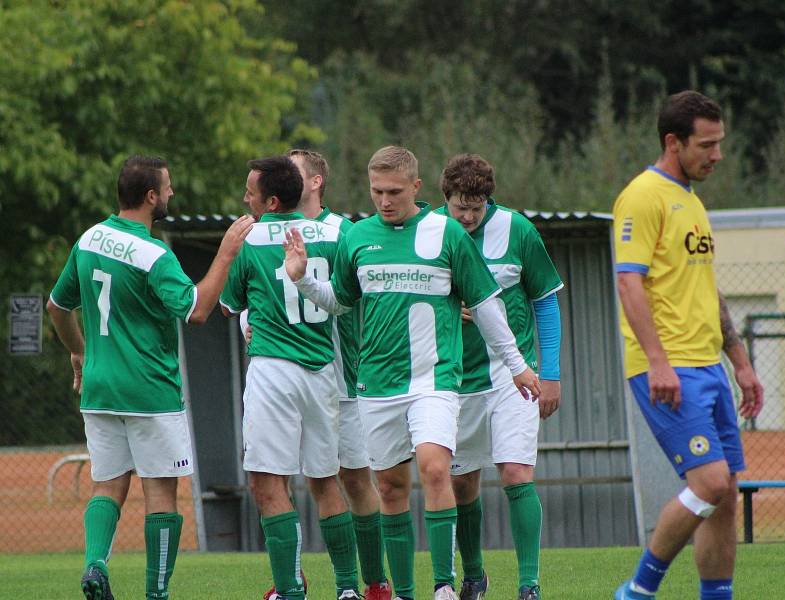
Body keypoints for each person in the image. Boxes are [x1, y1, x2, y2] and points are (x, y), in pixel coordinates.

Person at [282, 146, 541, 600]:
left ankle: (443, 585)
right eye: (377, 191)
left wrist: (518, 365)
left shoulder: (447, 233)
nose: (385, 200)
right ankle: (404, 591)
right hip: (377, 383)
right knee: (390, 486)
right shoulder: (357, 237)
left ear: (416, 188)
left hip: (435, 380)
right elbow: (341, 301)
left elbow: (485, 303)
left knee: (436, 467)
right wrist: (303, 279)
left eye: (394, 191)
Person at [46, 155, 254, 600]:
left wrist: (79, 352)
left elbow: (56, 308)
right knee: (161, 494)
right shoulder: (154, 254)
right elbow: (197, 310)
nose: (173, 194)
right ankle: (156, 593)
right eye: (168, 187)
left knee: (108, 485)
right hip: (150, 391)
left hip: (100, 389)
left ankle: (95, 564)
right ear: (151, 196)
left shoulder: (88, 239)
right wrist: (226, 252)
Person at [612, 91, 764, 600]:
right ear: (673, 142)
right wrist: (658, 362)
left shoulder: (692, 202)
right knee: (710, 482)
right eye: (708, 145)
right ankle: (637, 590)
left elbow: (706, 288)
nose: (717, 155)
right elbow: (629, 283)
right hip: (668, 366)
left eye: (719, 143)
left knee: (726, 498)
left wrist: (740, 361)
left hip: (708, 367)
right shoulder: (642, 196)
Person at [219, 156, 359, 600]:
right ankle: (347, 589)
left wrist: (251, 314)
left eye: (250, 192)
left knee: (267, 482)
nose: (245, 199)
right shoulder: (336, 234)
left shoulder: (249, 240)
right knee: (325, 481)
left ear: (272, 200)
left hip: (273, 372)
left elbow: (228, 304)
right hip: (323, 373)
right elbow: (350, 295)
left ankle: (290, 590)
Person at [435, 154, 563, 600]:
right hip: (453, 378)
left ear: (489, 199)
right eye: (459, 207)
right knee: (461, 480)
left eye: (476, 207)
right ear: (444, 199)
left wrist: (552, 373)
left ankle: (529, 585)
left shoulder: (518, 231)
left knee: (515, 472)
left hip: (513, 377)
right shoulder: (430, 232)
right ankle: (474, 576)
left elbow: (545, 300)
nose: (468, 216)